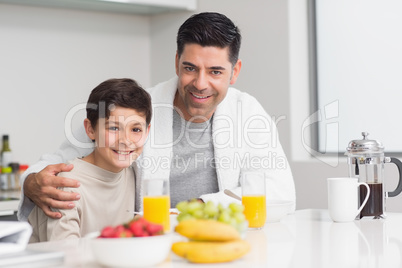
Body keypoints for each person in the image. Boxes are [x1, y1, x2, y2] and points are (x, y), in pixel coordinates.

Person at [18, 12, 296, 222]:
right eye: (190, 68)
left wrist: (198, 206)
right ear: (176, 62)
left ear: (234, 72)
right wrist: (32, 182)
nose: (200, 83)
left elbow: (280, 193)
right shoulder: (137, 108)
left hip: (216, 239)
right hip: (146, 243)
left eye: (215, 71)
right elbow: (53, 164)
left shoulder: (247, 111)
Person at [28, 78, 151, 241]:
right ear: (90, 129)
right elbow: (67, 255)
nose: (125, 140)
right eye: (113, 128)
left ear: (147, 131)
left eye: (136, 129)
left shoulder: (136, 174)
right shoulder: (67, 183)